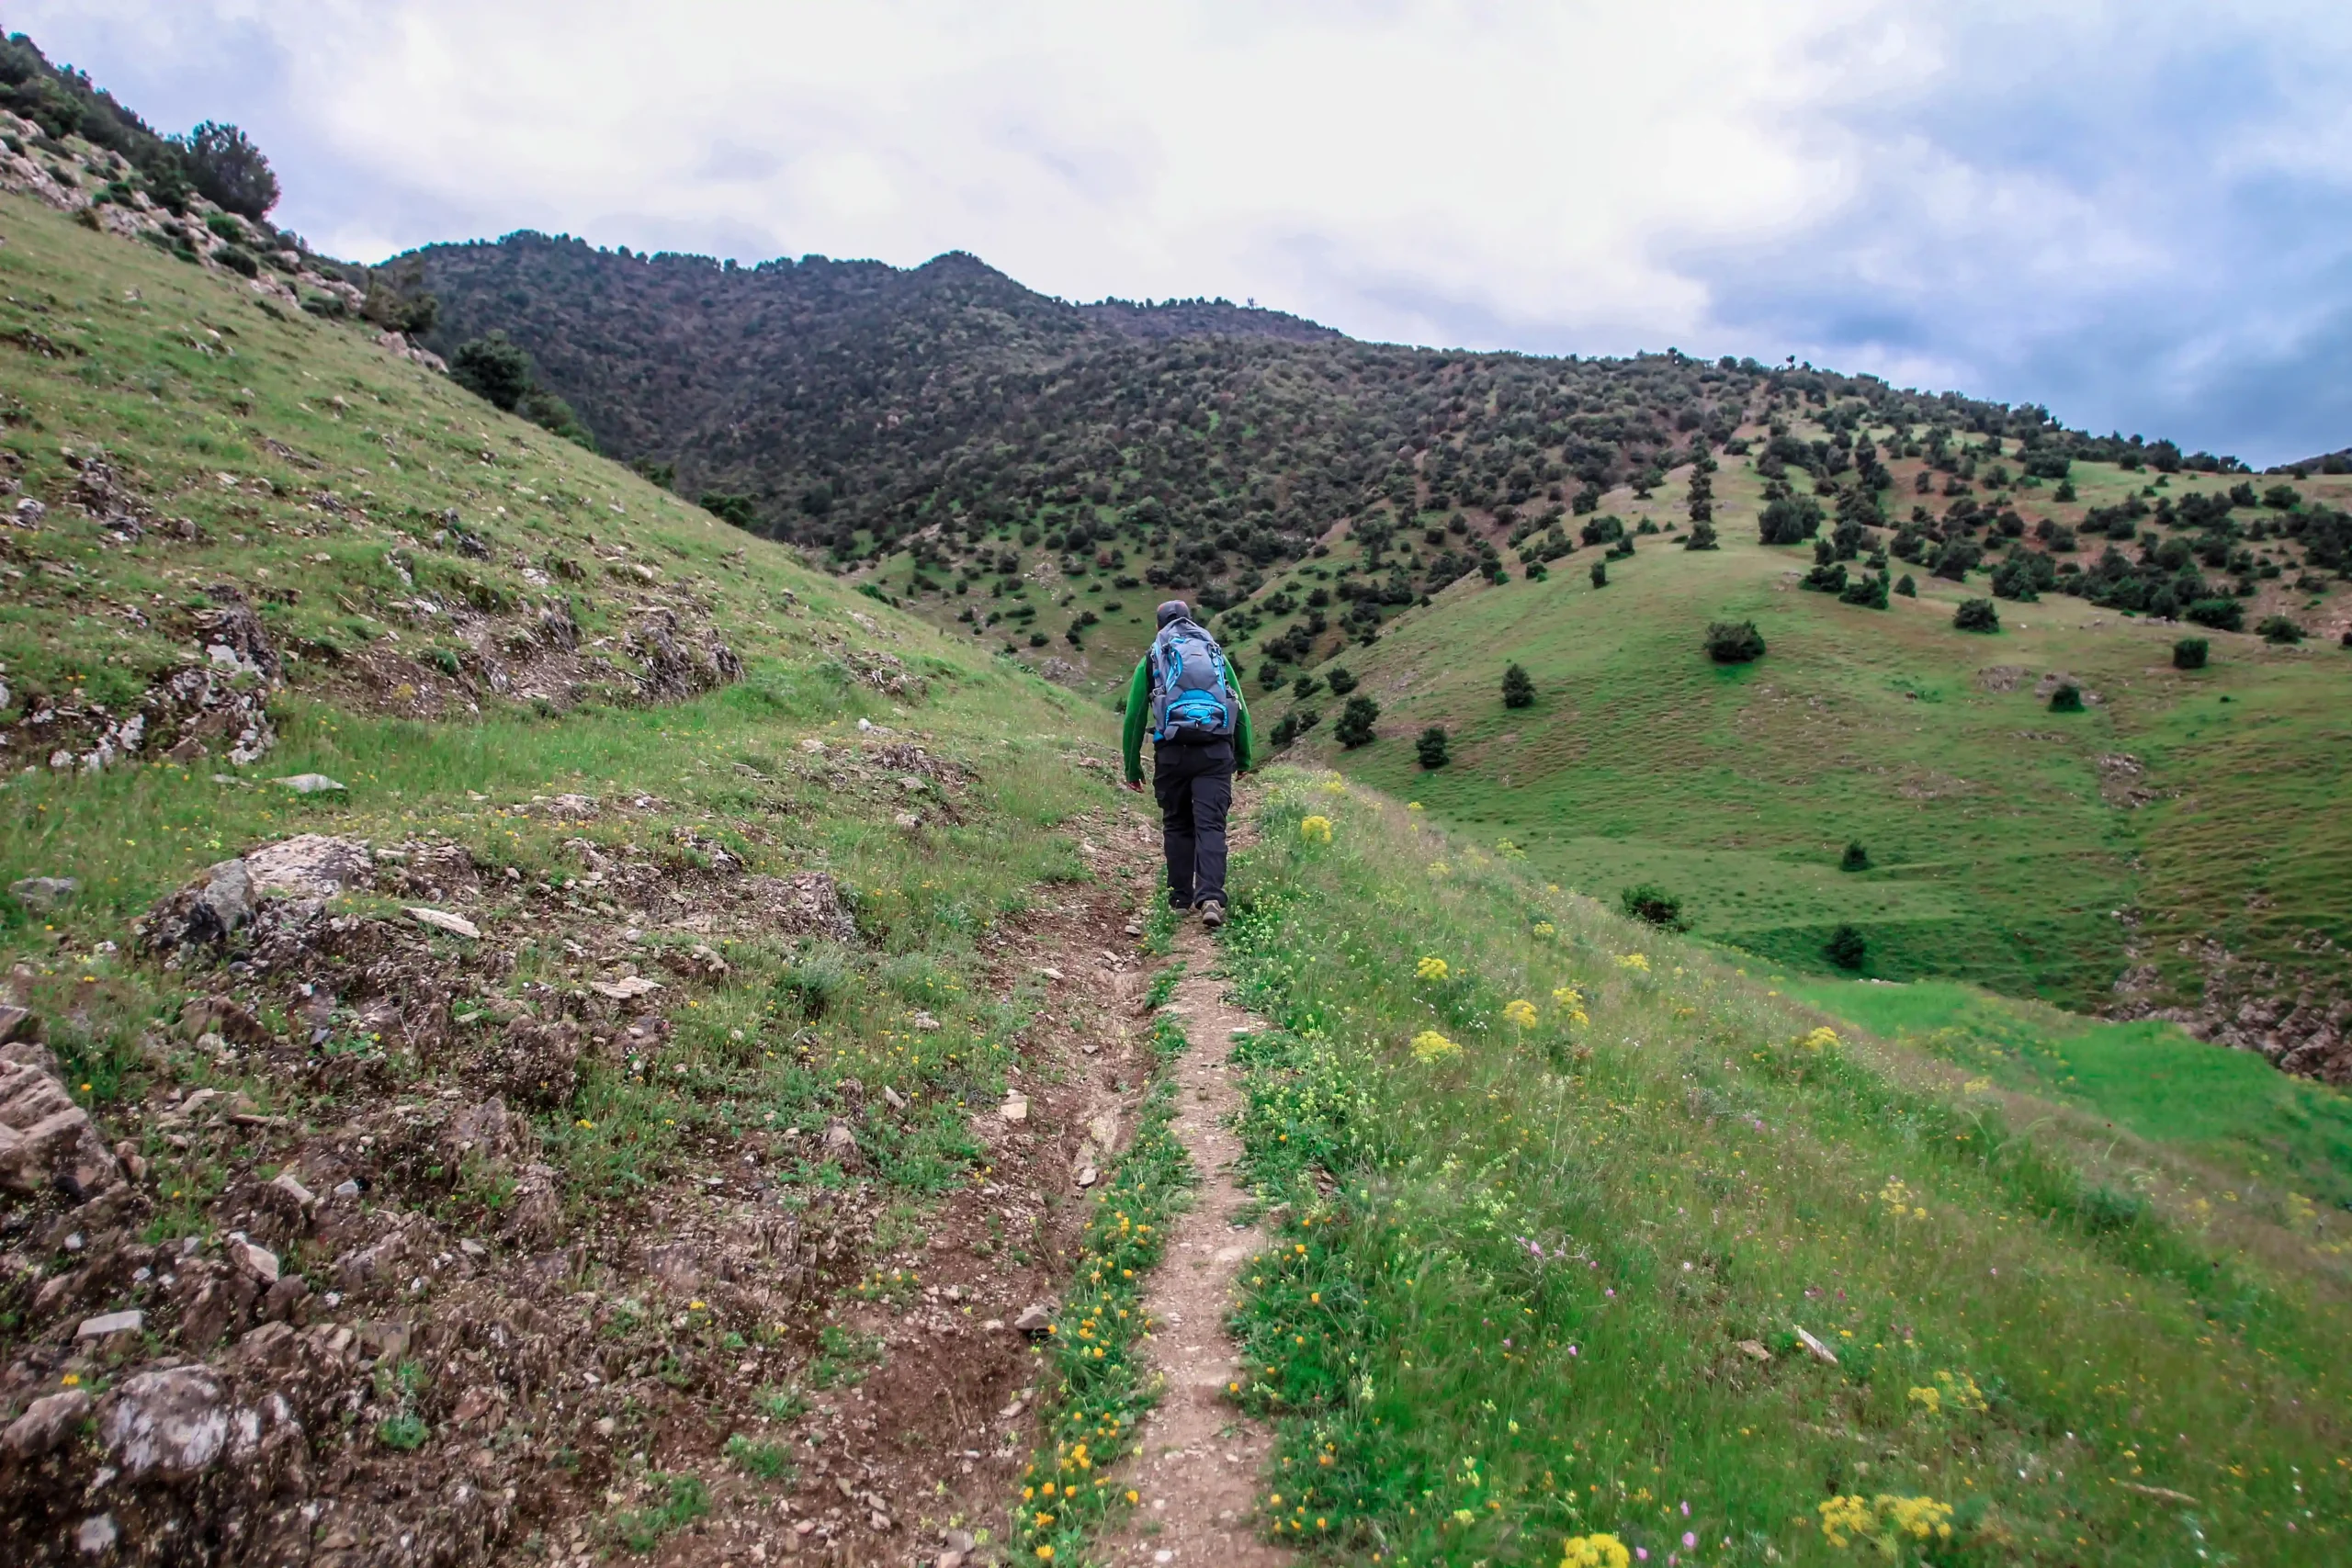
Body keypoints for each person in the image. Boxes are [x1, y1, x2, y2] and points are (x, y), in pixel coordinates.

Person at [1121, 600, 1255, 926]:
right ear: (1191, 621)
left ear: (1158, 626)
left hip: (1172, 752)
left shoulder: (1154, 656)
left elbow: (1135, 716)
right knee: (1211, 825)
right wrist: (1244, 756)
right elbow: (1239, 707)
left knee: (1178, 823)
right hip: (1214, 750)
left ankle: (1180, 899)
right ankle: (1210, 897)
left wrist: (1132, 767)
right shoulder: (1213, 653)